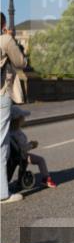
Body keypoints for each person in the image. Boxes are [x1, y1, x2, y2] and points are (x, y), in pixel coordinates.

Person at [1, 13, 26, 204]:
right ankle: (3, 192)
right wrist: (11, 38)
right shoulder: (6, 40)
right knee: (2, 145)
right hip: (1, 94)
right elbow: (20, 63)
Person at [10, 106, 56, 189]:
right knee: (40, 160)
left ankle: (43, 178)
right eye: (22, 117)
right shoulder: (15, 134)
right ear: (17, 120)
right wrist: (32, 145)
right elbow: (22, 148)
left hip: (18, 155)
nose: (24, 118)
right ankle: (45, 178)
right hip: (20, 155)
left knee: (36, 160)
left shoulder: (13, 131)